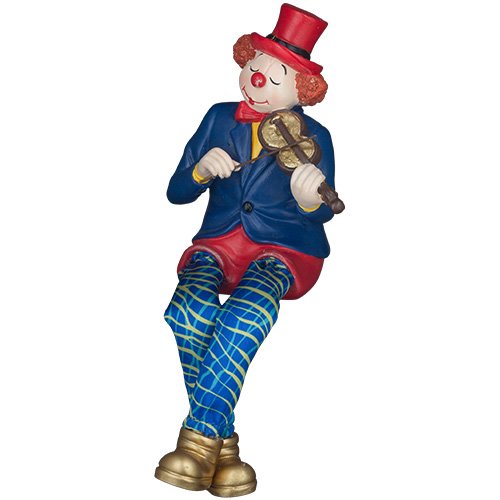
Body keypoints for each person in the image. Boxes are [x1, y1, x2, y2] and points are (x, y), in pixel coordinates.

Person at [155, 4, 339, 497]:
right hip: (217, 242)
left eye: (275, 76)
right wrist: (200, 171)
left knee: (248, 312)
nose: (258, 79)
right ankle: (224, 448)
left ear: (301, 89)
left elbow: (322, 212)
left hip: (283, 249)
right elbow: (175, 191)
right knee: (187, 309)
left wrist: (309, 200)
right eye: (254, 65)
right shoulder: (219, 118)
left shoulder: (317, 137)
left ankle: (195, 445)